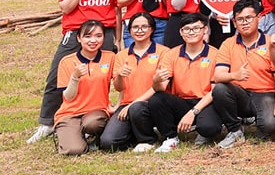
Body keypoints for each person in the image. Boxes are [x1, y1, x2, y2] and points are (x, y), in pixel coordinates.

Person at [28, 0, 121, 145]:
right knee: (56, 76)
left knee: (101, 77)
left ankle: (95, 117)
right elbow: (66, 7)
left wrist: (118, 38)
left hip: (103, 32)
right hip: (76, 32)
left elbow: (117, 12)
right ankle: (47, 122)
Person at [129, 12, 223, 152]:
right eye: (187, 29)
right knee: (158, 99)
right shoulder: (171, 54)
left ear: (205, 30)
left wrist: (193, 112)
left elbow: (215, 91)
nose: (191, 32)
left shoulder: (216, 54)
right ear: (180, 32)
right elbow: (160, 88)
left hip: (205, 102)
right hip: (181, 101)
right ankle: (170, 137)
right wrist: (156, 81)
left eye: (196, 28)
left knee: (209, 128)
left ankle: (203, 131)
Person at [211, 0, 275, 147]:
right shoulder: (228, 43)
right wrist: (235, 75)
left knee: (270, 125)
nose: (245, 22)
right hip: (239, 93)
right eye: (240, 19)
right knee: (220, 89)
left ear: (259, 18)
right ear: (234, 23)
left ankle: (262, 129)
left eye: (249, 18)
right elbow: (218, 76)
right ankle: (235, 130)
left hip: (265, 93)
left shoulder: (270, 42)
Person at [51, 19, 115, 156]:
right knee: (74, 150)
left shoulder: (110, 57)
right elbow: (68, 97)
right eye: (87, 36)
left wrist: (118, 105)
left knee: (93, 123)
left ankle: (90, 134)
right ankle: (71, 134)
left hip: (97, 112)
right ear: (79, 38)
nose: (93, 40)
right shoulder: (67, 61)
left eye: (98, 36)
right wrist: (75, 77)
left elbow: (122, 84)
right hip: (70, 113)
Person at [99, 12, 161, 151]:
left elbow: (160, 87)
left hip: (152, 104)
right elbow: (118, 87)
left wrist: (133, 104)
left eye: (144, 27)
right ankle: (133, 133)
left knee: (137, 109)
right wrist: (120, 76)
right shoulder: (121, 55)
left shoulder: (163, 52)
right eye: (135, 27)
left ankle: (148, 139)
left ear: (151, 29)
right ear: (130, 30)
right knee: (108, 142)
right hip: (126, 104)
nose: (139, 30)